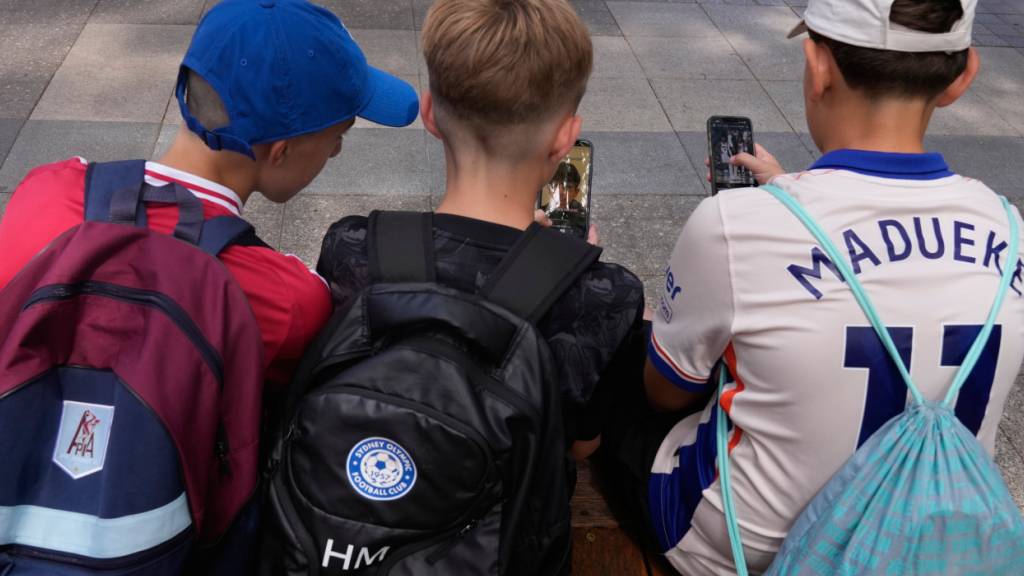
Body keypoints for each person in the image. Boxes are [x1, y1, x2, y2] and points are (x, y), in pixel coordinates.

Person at [604, 0, 1024, 573]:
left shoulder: (738, 224)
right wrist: (786, 188)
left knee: (633, 365)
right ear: (963, 76)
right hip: (930, 537)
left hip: (742, 549)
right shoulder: (1010, 226)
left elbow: (665, 395)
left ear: (818, 64)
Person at [0, 0, 419, 389]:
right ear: (281, 152)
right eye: (337, 136)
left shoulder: (45, 189)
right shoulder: (288, 301)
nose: (337, 151)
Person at [316, 0, 645, 462]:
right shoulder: (606, 295)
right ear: (565, 137)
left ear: (429, 114)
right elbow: (580, 445)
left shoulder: (351, 248)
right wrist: (561, 266)